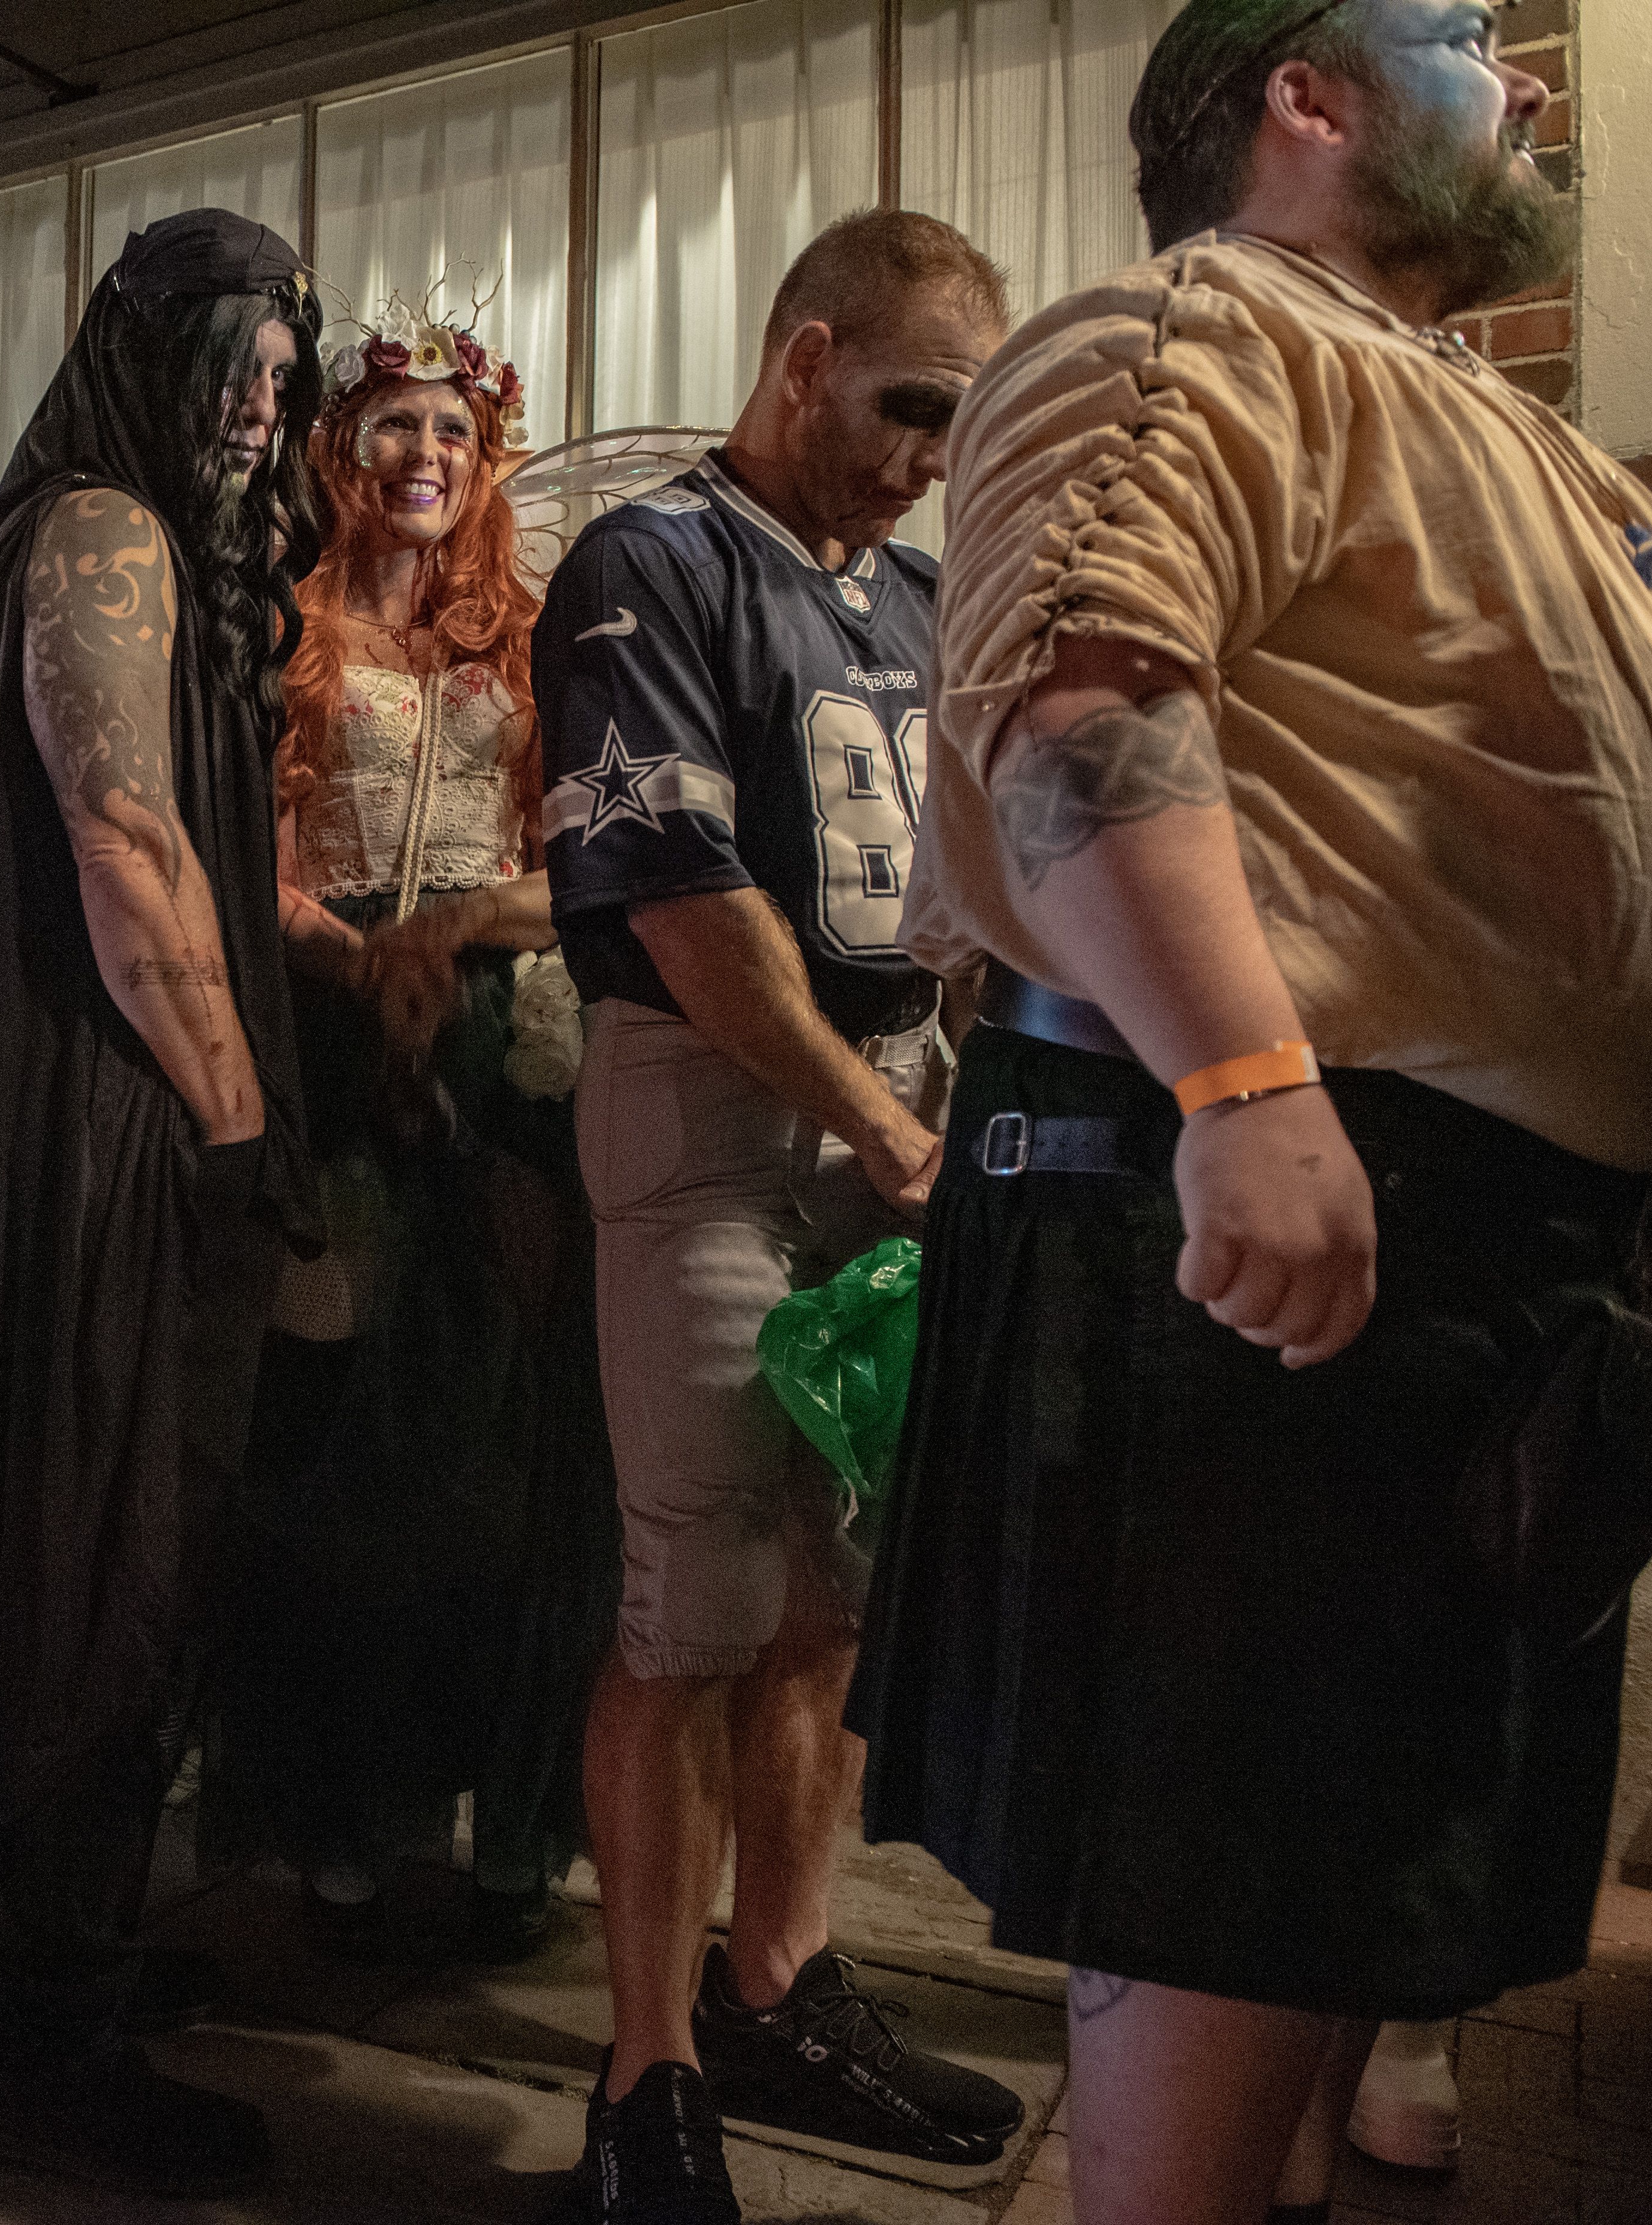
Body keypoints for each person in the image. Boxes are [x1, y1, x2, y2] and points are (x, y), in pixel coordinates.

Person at [849, 4, 1652, 2220]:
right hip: (1279, 1227)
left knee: (1335, 1917)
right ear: (1302, 93)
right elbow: (1078, 694)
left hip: (1473, 1259)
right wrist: (1238, 1079)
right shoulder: (1188, 327)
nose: (1522, 73)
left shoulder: (1513, 437)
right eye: (1455, 30)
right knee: (1237, 1907)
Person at [533, 210, 1023, 2221]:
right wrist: (874, 1121)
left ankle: (778, 1981)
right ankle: (643, 2074)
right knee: (698, 1596)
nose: (928, 451)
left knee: (831, 1590)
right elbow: (673, 894)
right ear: (802, 352)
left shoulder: (907, 599)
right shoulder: (646, 563)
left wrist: (950, 1096)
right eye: (907, 403)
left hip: (885, 1110)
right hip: (716, 1120)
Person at [0, 209, 321, 2198]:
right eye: (230, 362)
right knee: (115, 1563)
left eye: (282, 376)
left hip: (78, 1130)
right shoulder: (103, 538)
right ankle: (28, 2047)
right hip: (121, 1139)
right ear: (140, 355)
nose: (260, 403)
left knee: (103, 1549)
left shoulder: (79, 544)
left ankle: (56, 1972)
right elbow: (125, 847)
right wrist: (235, 1130)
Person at [201, 299, 612, 1965]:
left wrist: (454, 928)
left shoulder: (537, 641)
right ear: (341, 451)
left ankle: (514, 1813)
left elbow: (584, 857)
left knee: (519, 1444)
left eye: (454, 431)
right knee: (350, 1438)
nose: (426, 455)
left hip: (509, 1050)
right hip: (327, 1029)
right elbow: (246, 853)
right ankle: (344, 1808)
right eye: (394, 428)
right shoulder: (280, 632)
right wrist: (359, 955)